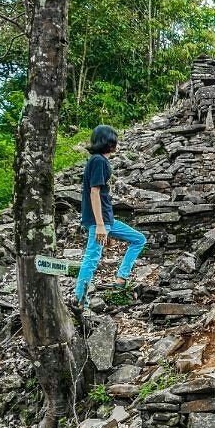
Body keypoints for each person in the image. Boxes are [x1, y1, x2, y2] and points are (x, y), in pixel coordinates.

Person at [74, 125, 146, 305]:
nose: (117, 142)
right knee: (91, 258)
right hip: (101, 221)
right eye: (114, 139)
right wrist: (99, 225)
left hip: (108, 220)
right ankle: (81, 302)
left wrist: (105, 223)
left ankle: (121, 278)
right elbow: (94, 192)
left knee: (139, 239)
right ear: (108, 142)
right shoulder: (98, 161)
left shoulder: (98, 160)